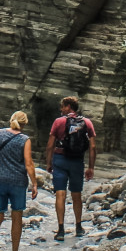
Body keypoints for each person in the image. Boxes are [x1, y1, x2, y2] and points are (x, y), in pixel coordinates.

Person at [0, 110, 37, 251]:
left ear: (11, 119)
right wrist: (35, 183)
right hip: (17, 182)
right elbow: (28, 164)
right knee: (16, 218)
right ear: (24, 124)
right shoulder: (25, 140)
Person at [44, 94, 96, 240]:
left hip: (60, 160)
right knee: (76, 194)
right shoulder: (87, 122)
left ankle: (61, 229)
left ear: (68, 106)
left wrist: (49, 163)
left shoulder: (58, 122)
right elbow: (92, 146)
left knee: (60, 194)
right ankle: (78, 227)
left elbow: (50, 145)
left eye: (62, 106)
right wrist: (91, 167)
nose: (61, 109)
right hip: (77, 161)